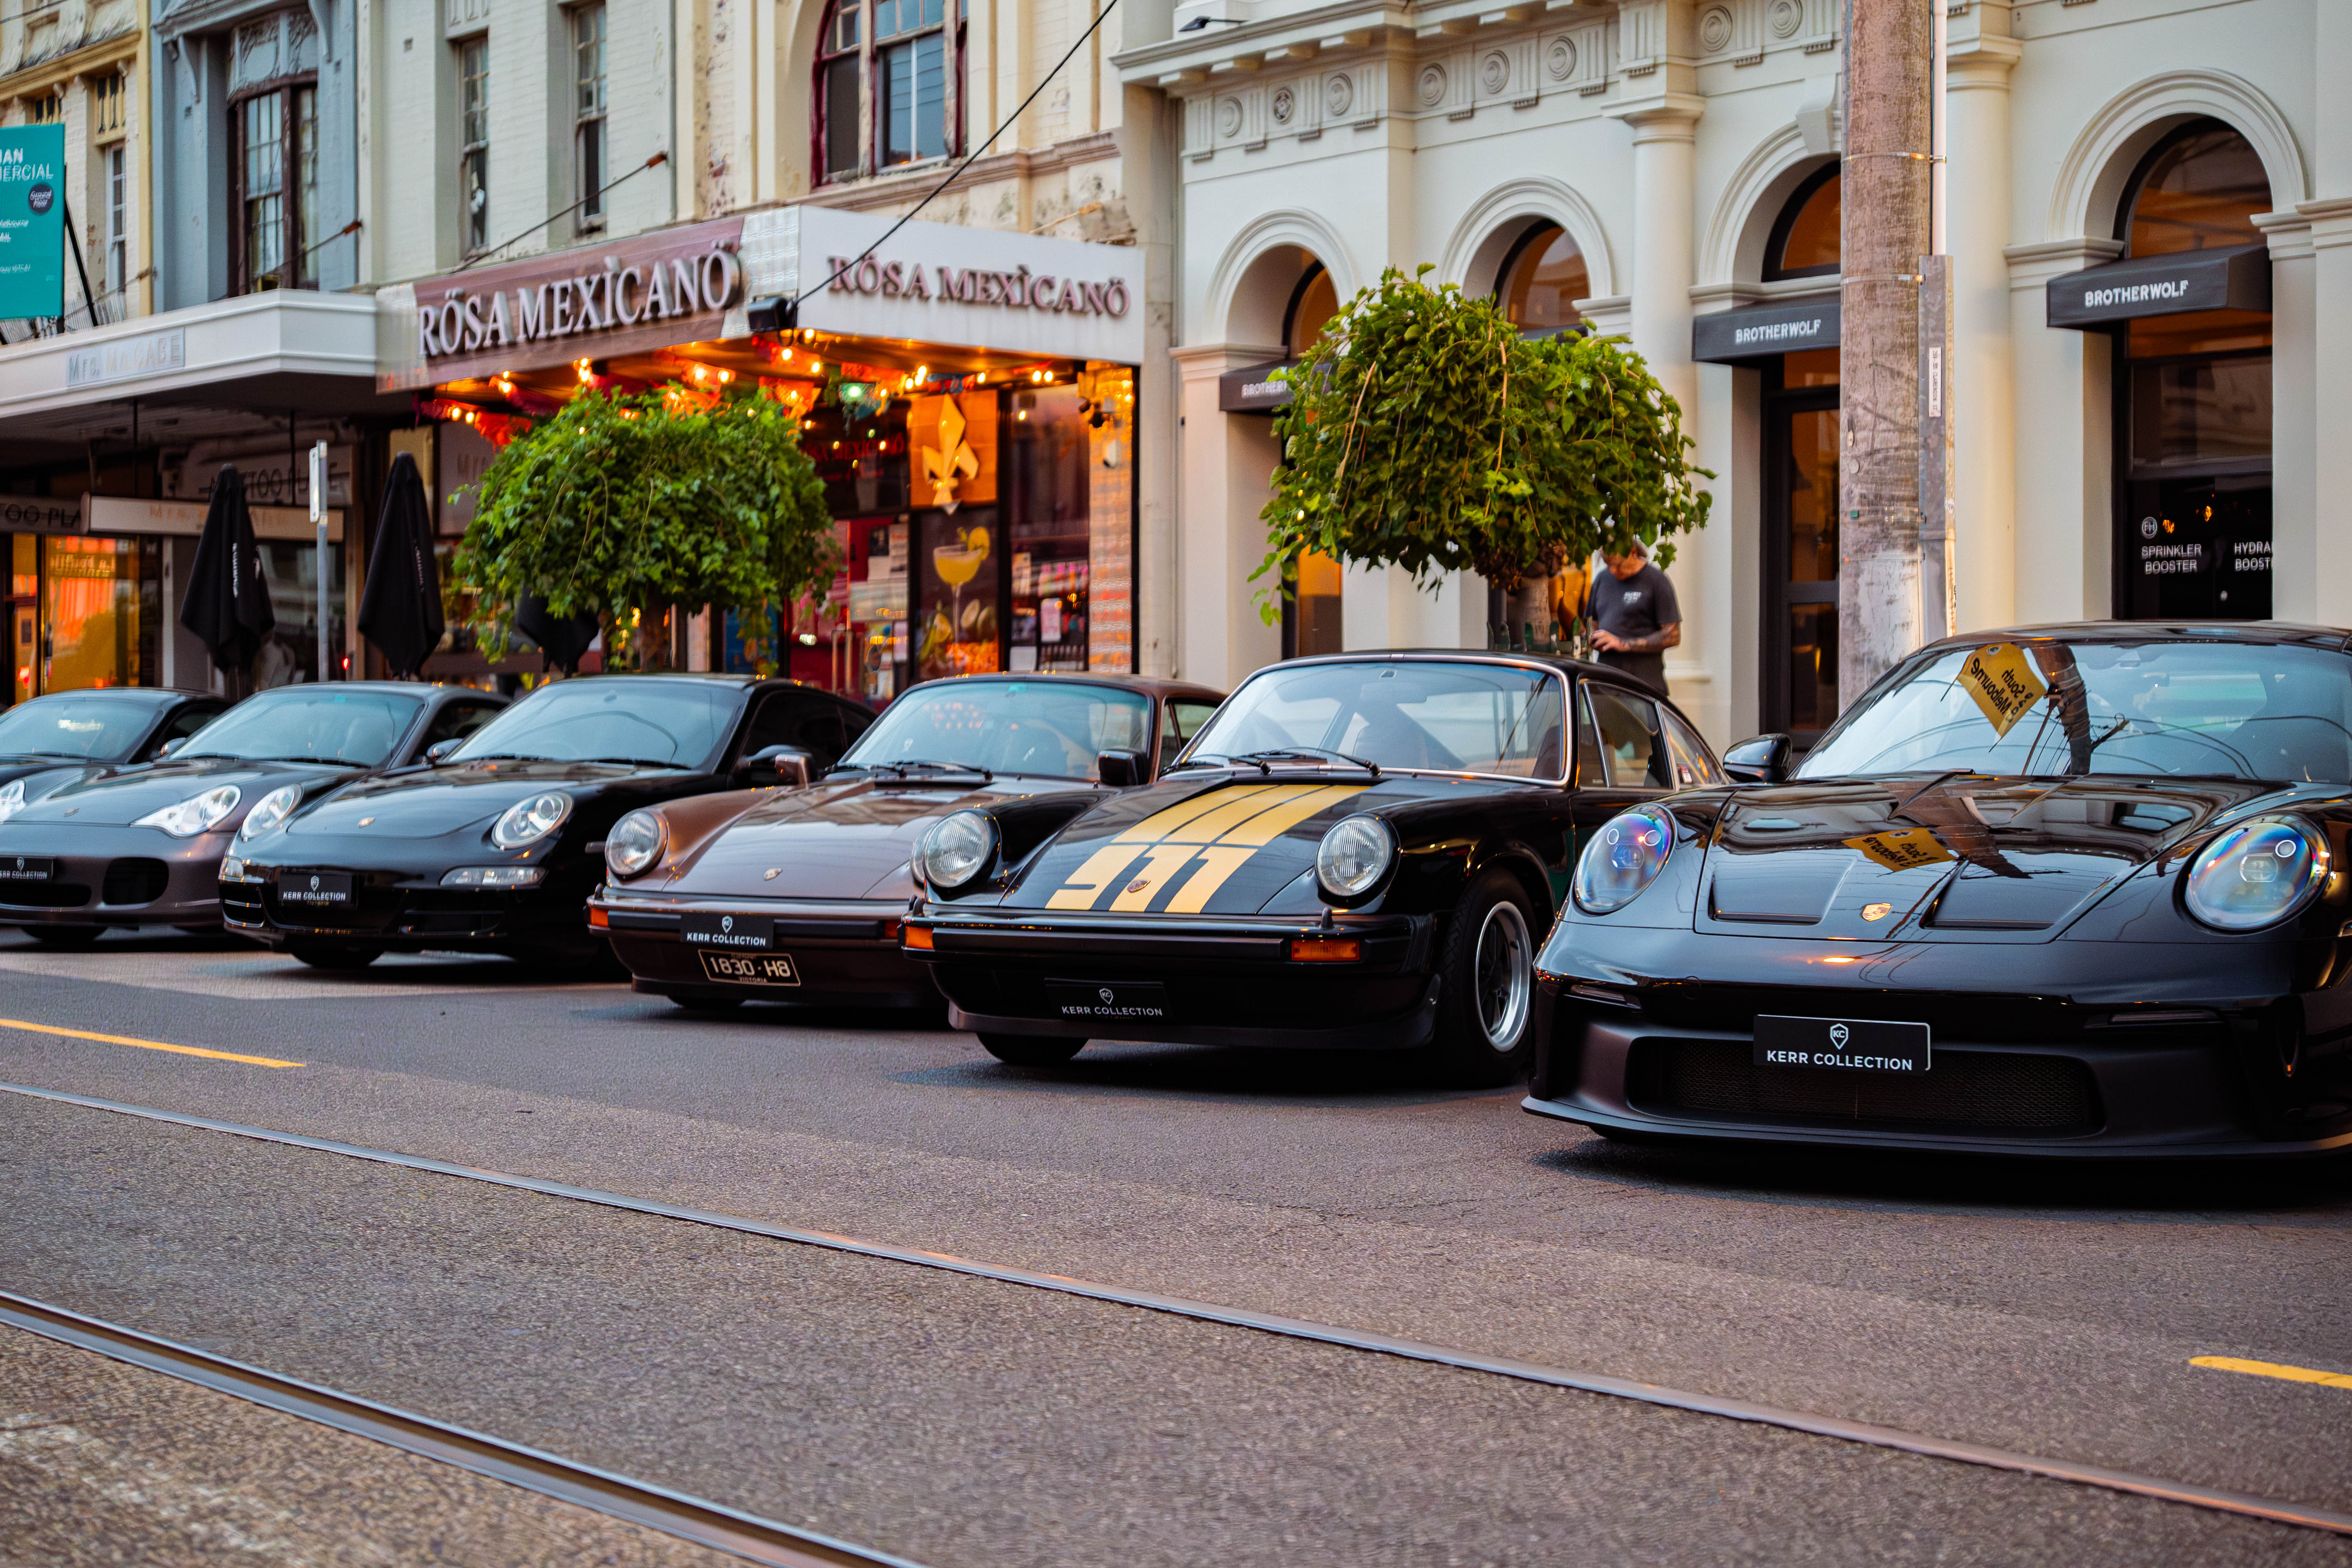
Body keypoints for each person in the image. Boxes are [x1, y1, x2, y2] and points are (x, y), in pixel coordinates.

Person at [1587, 540, 1680, 694]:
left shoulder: (1657, 581)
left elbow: (1673, 636)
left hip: (1643, 688)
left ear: (1633, 553)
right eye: (1607, 564)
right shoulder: (1601, 580)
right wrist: (1591, 637)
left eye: (1618, 564)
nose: (1613, 570)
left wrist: (1622, 644)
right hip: (1605, 685)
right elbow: (1593, 624)